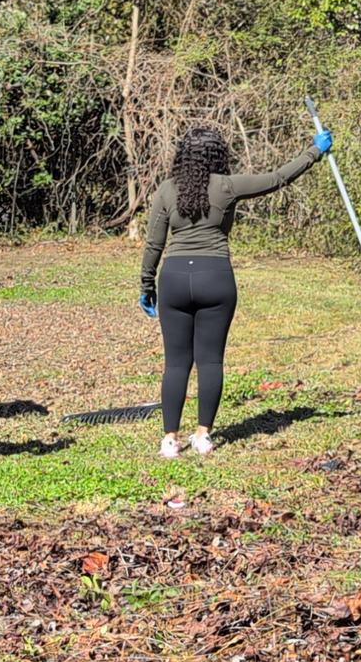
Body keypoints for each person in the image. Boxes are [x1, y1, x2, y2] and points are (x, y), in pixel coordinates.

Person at [137, 122, 333, 459]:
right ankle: (202, 437)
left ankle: (170, 440)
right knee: (210, 359)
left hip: (174, 278)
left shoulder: (167, 189)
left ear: (183, 155)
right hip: (216, 277)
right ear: (217, 154)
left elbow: (155, 244)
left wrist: (146, 284)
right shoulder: (227, 186)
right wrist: (315, 151)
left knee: (176, 363)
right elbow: (277, 178)